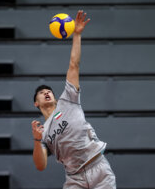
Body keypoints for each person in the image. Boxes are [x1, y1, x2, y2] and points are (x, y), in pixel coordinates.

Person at [31, 10, 116, 189]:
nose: (46, 92)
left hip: (98, 168)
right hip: (74, 179)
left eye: (49, 91)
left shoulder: (68, 99)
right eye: (41, 92)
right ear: (36, 103)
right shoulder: (43, 132)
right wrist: (37, 141)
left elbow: (73, 65)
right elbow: (40, 166)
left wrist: (76, 35)